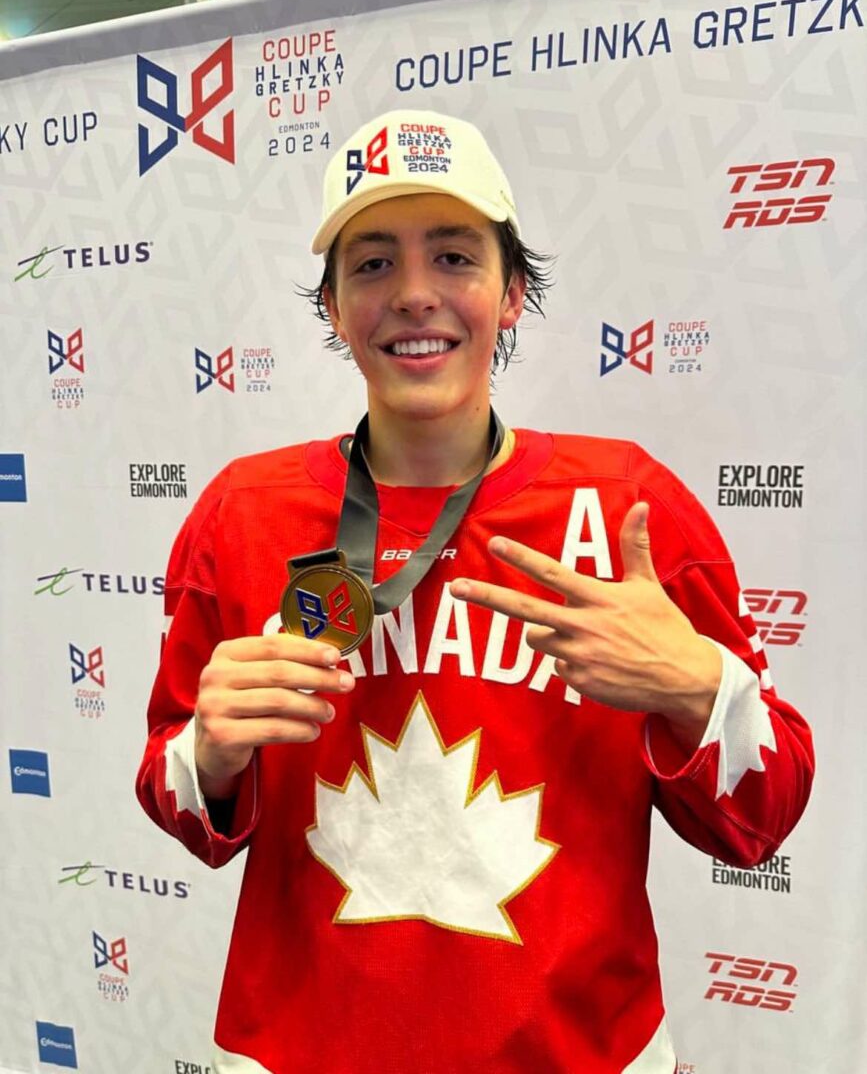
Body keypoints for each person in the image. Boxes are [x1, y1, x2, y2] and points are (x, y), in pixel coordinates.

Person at [136, 109, 814, 1074]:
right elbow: (175, 799)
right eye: (372, 265)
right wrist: (206, 755)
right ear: (330, 308)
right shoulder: (244, 513)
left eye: (454, 257)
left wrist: (697, 688)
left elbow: (763, 816)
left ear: (512, 296)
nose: (415, 295)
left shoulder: (623, 507)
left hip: (581, 1052)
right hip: (301, 1050)